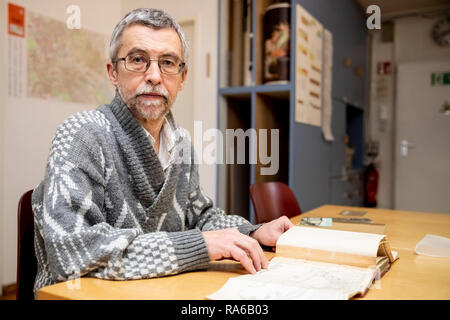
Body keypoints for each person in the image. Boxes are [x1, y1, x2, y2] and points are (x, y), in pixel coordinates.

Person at [31, 8, 293, 296]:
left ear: (182, 79)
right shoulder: (82, 134)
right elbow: (71, 255)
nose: (154, 75)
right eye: (138, 60)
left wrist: (252, 232)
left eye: (168, 62)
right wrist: (199, 246)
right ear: (113, 73)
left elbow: (202, 217)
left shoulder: (181, 143)